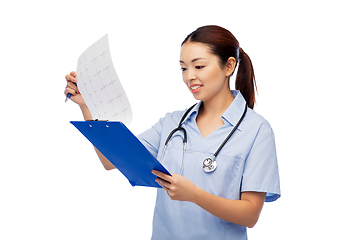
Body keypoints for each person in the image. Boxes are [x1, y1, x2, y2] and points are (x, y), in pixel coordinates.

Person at [64, 25, 280, 240]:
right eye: (184, 68)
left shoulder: (257, 130)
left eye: (199, 66)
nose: (189, 77)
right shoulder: (173, 123)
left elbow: (250, 214)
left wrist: (194, 195)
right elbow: (111, 161)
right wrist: (88, 107)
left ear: (229, 66)